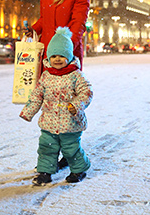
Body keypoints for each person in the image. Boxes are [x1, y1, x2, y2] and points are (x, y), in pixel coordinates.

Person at [19, 27, 93, 185]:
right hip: (49, 122)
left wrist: (76, 105)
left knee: (70, 148)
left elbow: (86, 93)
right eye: (53, 56)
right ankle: (45, 172)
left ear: (69, 56)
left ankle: (79, 169)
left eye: (61, 56)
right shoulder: (46, 76)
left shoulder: (76, 75)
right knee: (47, 147)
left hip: (71, 122)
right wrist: (28, 111)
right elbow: (37, 94)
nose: (57, 59)